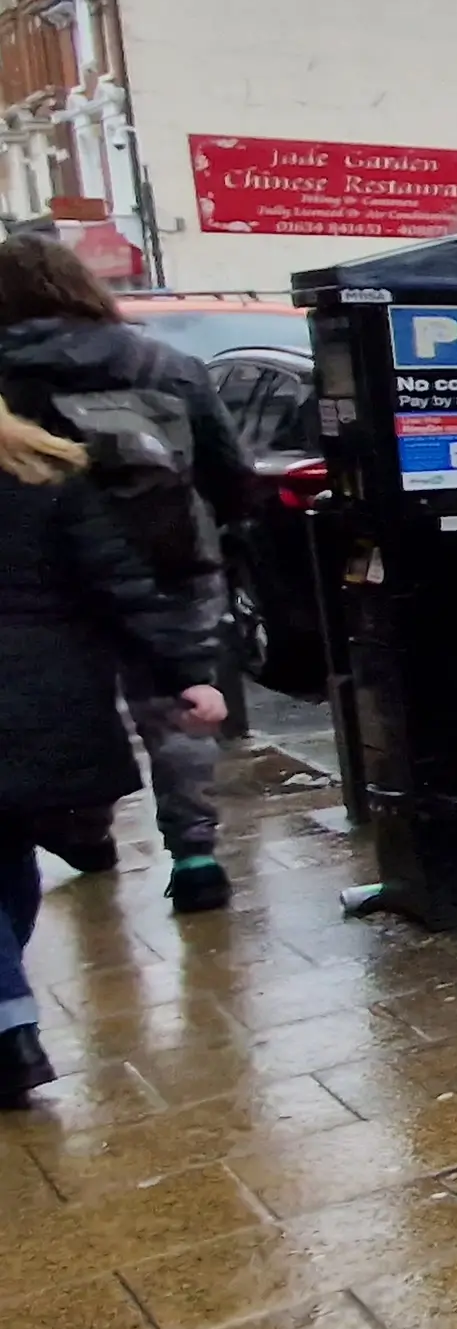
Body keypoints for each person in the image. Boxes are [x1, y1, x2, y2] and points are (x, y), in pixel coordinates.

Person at [0, 231, 250, 911]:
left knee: (71, 702)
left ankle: (83, 830)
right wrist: (217, 533)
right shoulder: (162, 363)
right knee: (180, 702)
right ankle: (195, 855)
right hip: (168, 556)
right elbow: (228, 472)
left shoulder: (7, 374)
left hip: (41, 573)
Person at [0, 404, 229, 1103]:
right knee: (9, 851)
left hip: (32, 692)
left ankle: (9, 1027)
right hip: (46, 696)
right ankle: (9, 1014)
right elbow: (121, 587)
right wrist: (184, 672)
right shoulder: (46, 478)